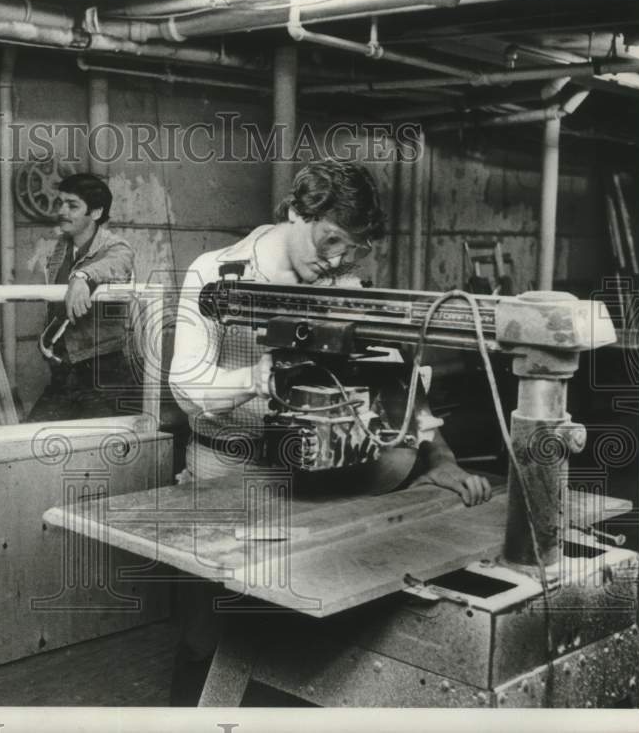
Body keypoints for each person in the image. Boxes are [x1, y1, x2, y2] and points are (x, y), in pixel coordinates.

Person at [165, 158, 492, 704]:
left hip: (320, 482)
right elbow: (186, 385)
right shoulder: (217, 272)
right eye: (331, 239)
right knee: (212, 638)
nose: (338, 258)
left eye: (353, 248)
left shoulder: (345, 281)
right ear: (297, 211)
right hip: (230, 471)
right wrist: (259, 377)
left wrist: (440, 459)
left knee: (305, 637)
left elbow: (402, 382)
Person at [27, 173, 138, 422]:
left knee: (109, 445)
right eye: (61, 203)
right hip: (65, 367)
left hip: (105, 371)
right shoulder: (60, 246)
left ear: (96, 213)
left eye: (72, 205)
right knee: (33, 434)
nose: (62, 211)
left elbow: (120, 264)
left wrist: (83, 277)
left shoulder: (115, 246)